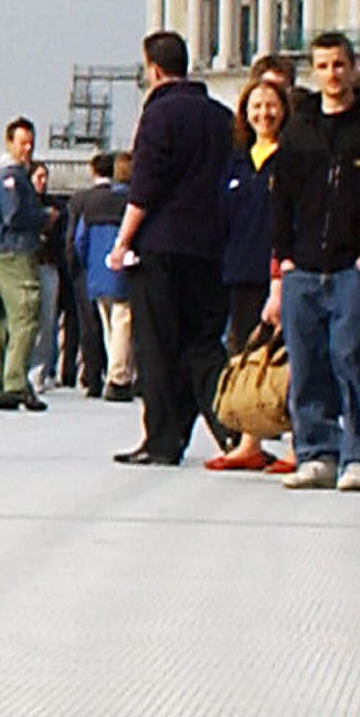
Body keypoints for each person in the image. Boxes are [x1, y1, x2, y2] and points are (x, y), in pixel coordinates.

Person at [269, 31, 360, 491]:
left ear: (352, 68)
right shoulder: (299, 131)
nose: (332, 75)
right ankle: (316, 450)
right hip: (303, 264)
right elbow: (281, 198)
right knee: (306, 362)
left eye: (339, 65)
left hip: (351, 265)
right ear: (314, 71)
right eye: (323, 67)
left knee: (351, 359)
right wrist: (282, 259)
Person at [110, 31, 237, 467]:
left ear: (154, 69)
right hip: (210, 247)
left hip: (161, 248)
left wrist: (123, 240)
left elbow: (146, 185)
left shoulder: (159, 115)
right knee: (204, 343)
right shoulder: (221, 117)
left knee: (159, 345)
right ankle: (232, 429)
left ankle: (163, 440)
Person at [202, 71, 294, 472]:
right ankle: (249, 439)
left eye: (271, 105)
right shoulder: (236, 162)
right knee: (245, 354)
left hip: (283, 269)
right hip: (241, 269)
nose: (264, 113)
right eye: (256, 106)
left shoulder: (292, 157)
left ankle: (296, 440)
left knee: (289, 357)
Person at [0, 118, 59, 412]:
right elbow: (14, 216)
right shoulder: (12, 176)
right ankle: (16, 383)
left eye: (31, 144)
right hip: (14, 251)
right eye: (22, 143)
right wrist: (43, 217)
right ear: (9, 142)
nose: (27, 149)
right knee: (25, 314)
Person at [69, 154, 133, 400]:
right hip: (122, 273)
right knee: (122, 323)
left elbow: (80, 240)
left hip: (96, 273)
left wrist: (86, 265)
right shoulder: (129, 203)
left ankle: (114, 371)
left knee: (108, 325)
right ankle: (119, 377)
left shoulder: (90, 202)